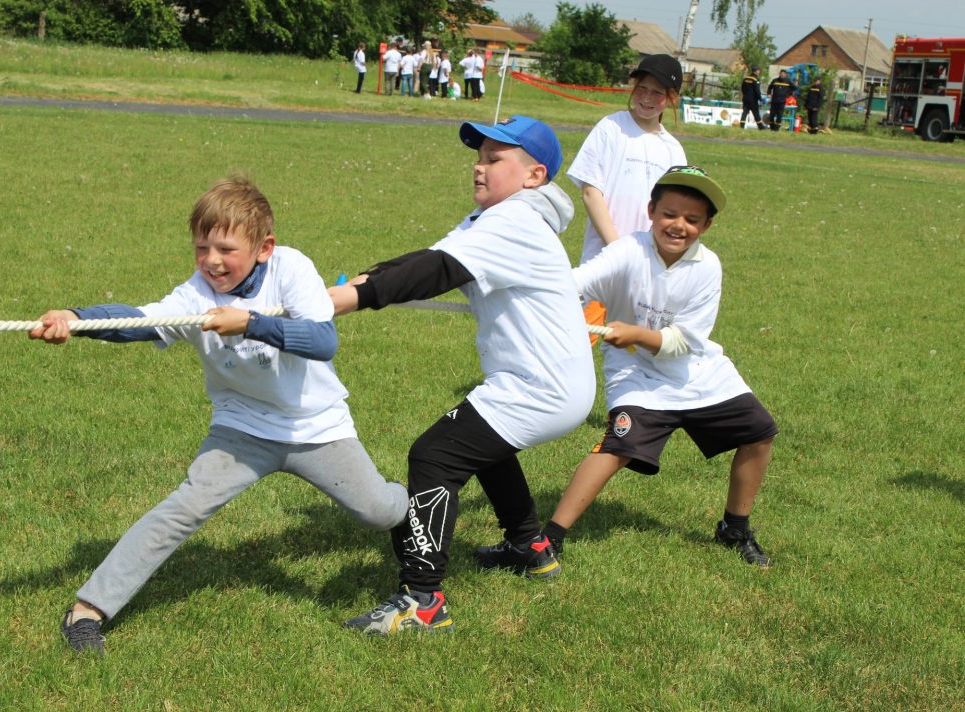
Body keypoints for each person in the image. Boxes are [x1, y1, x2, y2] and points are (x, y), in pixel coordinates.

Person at [33, 176, 408, 654]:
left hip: (314, 426)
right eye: (201, 247)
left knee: (379, 511)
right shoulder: (196, 294)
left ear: (263, 247)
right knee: (180, 510)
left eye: (226, 249)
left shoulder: (290, 269)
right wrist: (78, 318)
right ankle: (87, 612)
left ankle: (414, 504)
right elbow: (141, 322)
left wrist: (250, 322)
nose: (211, 260)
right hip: (242, 425)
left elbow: (323, 340)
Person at [330, 116, 596, 634]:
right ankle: (530, 547)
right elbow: (428, 258)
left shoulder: (515, 221)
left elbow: (438, 272)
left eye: (496, 158)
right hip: (543, 383)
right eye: (479, 155)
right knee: (481, 445)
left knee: (435, 455)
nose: (479, 165)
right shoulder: (492, 218)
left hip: (541, 387)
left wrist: (341, 301)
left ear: (534, 175)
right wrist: (370, 276)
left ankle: (422, 600)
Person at [541, 165, 778, 568]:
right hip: (638, 374)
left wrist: (634, 332)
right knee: (617, 447)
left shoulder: (708, 267)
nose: (678, 225)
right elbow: (576, 282)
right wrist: (543, 300)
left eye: (692, 219)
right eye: (669, 213)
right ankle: (548, 540)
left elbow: (684, 341)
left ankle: (734, 529)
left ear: (707, 225)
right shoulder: (627, 250)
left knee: (759, 432)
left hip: (699, 372)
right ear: (651, 210)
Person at [566, 53, 687, 344]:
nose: (646, 98)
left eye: (657, 93)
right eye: (642, 88)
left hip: (647, 267)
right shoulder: (611, 128)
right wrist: (617, 248)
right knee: (576, 340)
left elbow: (675, 210)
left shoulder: (672, 149)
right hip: (603, 258)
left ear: (671, 98)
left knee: (636, 347)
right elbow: (590, 191)